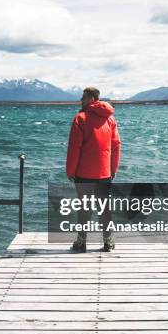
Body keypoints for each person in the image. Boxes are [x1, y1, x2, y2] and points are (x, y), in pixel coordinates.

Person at [66, 86, 121, 252]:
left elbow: (74, 147)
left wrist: (70, 171)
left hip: (84, 173)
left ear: (91, 98)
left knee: (84, 209)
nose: (80, 100)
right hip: (104, 173)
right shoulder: (110, 119)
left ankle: (81, 242)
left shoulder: (80, 118)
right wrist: (113, 169)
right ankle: (108, 242)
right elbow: (116, 145)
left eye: (83, 97)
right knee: (104, 208)